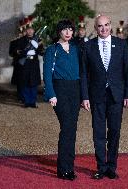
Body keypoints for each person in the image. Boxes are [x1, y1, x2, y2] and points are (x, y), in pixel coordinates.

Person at [81, 15, 128, 180]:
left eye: (106, 25)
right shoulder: (88, 46)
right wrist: (85, 96)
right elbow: (84, 74)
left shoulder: (122, 44)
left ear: (111, 26)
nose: (103, 29)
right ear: (95, 28)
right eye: (100, 26)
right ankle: (101, 167)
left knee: (115, 132)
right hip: (96, 95)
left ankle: (111, 167)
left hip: (116, 95)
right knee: (98, 133)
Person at [43, 20, 80, 181]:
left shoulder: (76, 49)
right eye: (65, 29)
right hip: (59, 90)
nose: (68, 32)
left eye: (70, 30)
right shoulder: (52, 50)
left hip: (75, 90)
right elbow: (46, 74)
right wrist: (51, 94)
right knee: (67, 127)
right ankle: (64, 169)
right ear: (59, 32)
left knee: (72, 129)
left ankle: (69, 165)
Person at [15, 16, 44, 108]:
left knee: (33, 83)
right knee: (26, 82)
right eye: (28, 30)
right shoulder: (21, 40)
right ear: (26, 30)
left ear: (34, 30)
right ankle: (27, 101)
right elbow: (17, 52)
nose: (30, 31)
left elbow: (41, 52)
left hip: (34, 63)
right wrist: (26, 52)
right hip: (25, 63)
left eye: (31, 29)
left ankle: (33, 101)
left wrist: (39, 48)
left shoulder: (38, 40)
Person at [10, 20, 26, 103]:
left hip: (27, 63)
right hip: (18, 63)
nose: (21, 34)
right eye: (20, 32)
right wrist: (16, 52)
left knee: (26, 80)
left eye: (23, 32)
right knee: (20, 81)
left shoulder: (28, 41)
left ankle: (25, 96)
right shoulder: (14, 42)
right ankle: (20, 96)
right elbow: (11, 53)